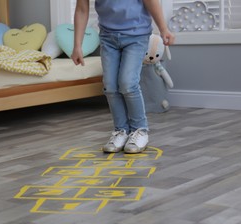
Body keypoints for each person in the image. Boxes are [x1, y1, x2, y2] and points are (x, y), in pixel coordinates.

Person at [71, 0, 175, 153]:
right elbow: (81, 9)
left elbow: (151, 1)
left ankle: (140, 130)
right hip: (108, 37)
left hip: (137, 35)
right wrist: (77, 45)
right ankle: (121, 131)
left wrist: (163, 29)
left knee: (127, 83)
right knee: (110, 86)